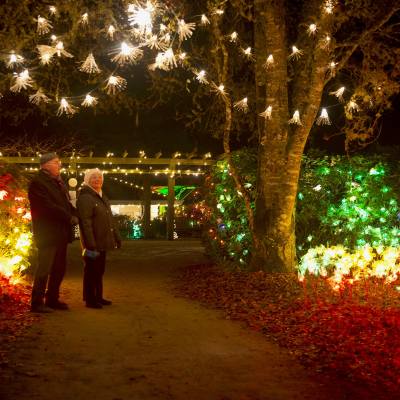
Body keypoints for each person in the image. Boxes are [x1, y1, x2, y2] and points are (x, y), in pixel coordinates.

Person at [28, 153, 78, 313]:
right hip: (47, 233)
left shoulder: (58, 182)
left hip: (60, 233)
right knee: (44, 267)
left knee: (59, 268)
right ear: (46, 165)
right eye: (56, 162)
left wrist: (74, 213)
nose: (59, 165)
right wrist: (68, 217)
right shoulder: (38, 183)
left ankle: (52, 299)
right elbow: (46, 206)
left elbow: (65, 203)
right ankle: (37, 302)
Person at [77, 168, 121, 309]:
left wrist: (116, 236)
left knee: (99, 269)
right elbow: (86, 222)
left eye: (99, 177)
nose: (97, 180)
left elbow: (110, 219)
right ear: (87, 180)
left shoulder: (101, 196)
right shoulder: (85, 197)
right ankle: (90, 299)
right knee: (91, 269)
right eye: (93, 177)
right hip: (92, 242)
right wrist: (90, 243)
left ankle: (98, 296)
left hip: (102, 241)